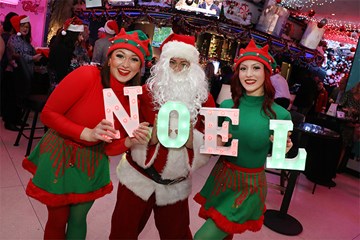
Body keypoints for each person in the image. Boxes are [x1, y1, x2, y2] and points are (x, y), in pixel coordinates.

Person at [22, 28, 152, 239]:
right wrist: (86, 134)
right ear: (109, 59)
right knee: (57, 219)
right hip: (60, 155)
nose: (125, 65)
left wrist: (129, 141)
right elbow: (49, 114)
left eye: (134, 59)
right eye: (120, 56)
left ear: (140, 67)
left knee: (78, 219)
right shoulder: (87, 75)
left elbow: (110, 147)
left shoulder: (132, 100)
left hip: (91, 161)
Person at [109, 33, 216, 240]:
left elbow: (211, 141)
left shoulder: (204, 98)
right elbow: (124, 128)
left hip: (175, 183)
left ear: (192, 68)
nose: (176, 68)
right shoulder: (143, 92)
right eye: (172, 62)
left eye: (183, 64)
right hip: (137, 178)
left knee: (177, 235)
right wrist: (148, 135)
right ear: (163, 64)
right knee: (122, 233)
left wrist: (194, 140)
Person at [193, 39, 293, 239]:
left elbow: (277, 154)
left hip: (249, 186)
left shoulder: (280, 115)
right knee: (224, 233)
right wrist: (215, 143)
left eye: (256, 68)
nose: (249, 74)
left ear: (267, 73)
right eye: (244, 68)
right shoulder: (227, 106)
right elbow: (214, 147)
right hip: (221, 177)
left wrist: (284, 148)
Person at [4, 15, 42, 131]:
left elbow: (30, 53)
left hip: (23, 74)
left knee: (19, 99)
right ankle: (9, 122)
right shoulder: (14, 39)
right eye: (22, 26)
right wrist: (33, 58)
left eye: (27, 26)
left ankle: (17, 120)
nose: (25, 29)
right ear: (17, 27)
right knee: (12, 99)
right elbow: (18, 56)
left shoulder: (26, 41)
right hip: (13, 73)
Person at [48, 17, 85, 91]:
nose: (82, 38)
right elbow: (61, 73)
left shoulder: (68, 47)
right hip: (60, 88)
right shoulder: (61, 49)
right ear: (73, 35)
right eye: (79, 35)